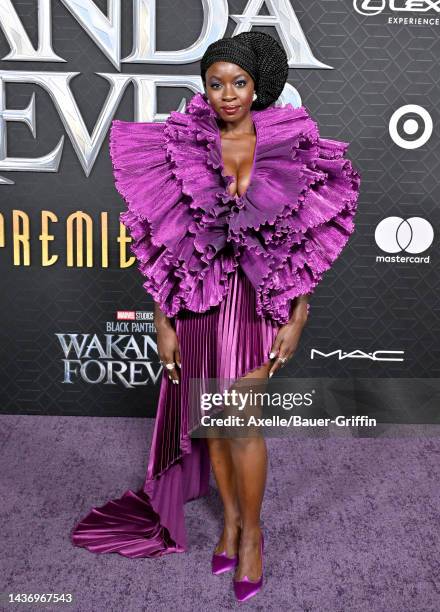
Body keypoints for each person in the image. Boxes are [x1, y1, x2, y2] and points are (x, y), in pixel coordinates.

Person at [71, 31, 361, 602]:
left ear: (258, 87)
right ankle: (228, 521)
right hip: (199, 306)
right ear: (203, 87)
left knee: (241, 424)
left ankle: (252, 535)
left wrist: (298, 317)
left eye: (239, 82)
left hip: (256, 308)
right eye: (215, 83)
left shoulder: (291, 145)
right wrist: (162, 321)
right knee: (213, 425)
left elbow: (306, 242)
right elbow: (164, 242)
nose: (227, 94)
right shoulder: (179, 147)